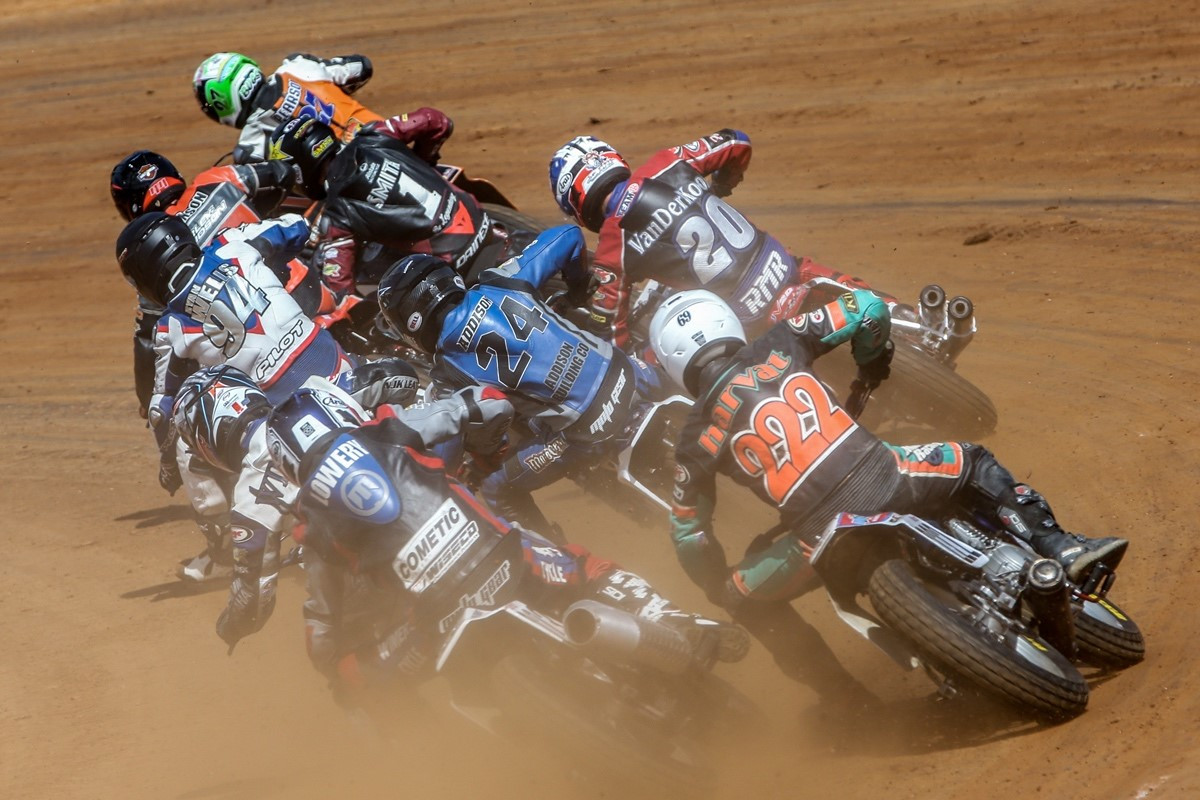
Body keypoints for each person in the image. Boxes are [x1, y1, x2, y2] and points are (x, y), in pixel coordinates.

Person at [647, 288, 1129, 706]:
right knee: (973, 460)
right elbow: (867, 307)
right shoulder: (781, 341)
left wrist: (718, 587)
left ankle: (841, 698)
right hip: (891, 478)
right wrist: (872, 362)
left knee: (744, 599)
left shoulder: (693, 440)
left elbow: (688, 533)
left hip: (815, 540)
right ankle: (1062, 547)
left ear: (673, 364)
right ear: (725, 321)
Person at [263, 380, 748, 702]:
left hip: (435, 618)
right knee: (585, 568)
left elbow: (322, 628)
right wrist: (476, 431)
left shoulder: (308, 522)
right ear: (338, 411)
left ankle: (421, 760)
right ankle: (683, 623)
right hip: (505, 559)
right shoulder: (388, 428)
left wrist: (338, 669)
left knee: (360, 685)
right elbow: (489, 401)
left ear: (288, 463)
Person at [374, 224, 662, 534]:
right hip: (629, 373)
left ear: (410, 322)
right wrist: (578, 288)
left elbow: (446, 460)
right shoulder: (502, 281)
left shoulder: (447, 374)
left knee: (500, 489)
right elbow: (568, 235)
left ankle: (555, 566)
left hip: (587, 430)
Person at [548, 132, 881, 349]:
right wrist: (724, 183)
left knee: (665, 361)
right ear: (613, 159)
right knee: (828, 279)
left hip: (748, 320)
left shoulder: (611, 247)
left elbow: (612, 330)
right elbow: (738, 142)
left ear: (576, 205)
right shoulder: (669, 161)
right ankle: (903, 313)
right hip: (780, 264)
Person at [169, 360, 418, 630]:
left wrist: (229, 626)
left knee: (333, 641)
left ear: (205, 440)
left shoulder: (248, 504)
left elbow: (252, 602)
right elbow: (397, 375)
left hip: (381, 563)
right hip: (426, 494)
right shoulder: (318, 390)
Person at [110, 150, 327, 417]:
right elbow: (283, 173)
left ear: (129, 208)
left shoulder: (153, 257)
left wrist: (148, 401)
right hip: (311, 288)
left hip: (262, 347)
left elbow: (147, 344)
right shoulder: (218, 178)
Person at [267, 112, 505, 297]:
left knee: (381, 296)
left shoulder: (337, 215)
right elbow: (436, 120)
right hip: (480, 218)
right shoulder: (376, 134)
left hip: (454, 264)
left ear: (300, 171)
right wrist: (425, 160)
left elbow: (339, 286)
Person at [193, 52, 379, 163]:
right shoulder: (297, 65)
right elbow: (361, 66)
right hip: (385, 136)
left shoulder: (251, 144)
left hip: (354, 181)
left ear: (221, 103)